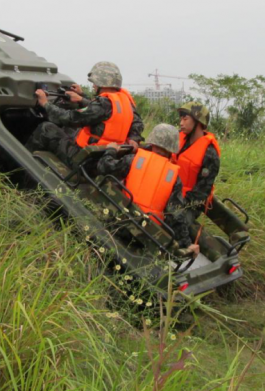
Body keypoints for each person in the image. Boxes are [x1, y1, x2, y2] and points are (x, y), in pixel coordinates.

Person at [96, 124, 198, 254]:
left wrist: (111, 150)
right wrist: (187, 244)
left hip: (119, 223)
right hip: (147, 235)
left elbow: (103, 167)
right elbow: (176, 215)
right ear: (172, 149)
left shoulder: (133, 160)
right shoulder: (173, 177)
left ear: (153, 142)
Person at [26, 61, 144, 167]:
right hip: (103, 155)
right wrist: (81, 97)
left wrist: (46, 103)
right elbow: (134, 121)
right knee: (68, 130)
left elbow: (69, 118)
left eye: (94, 83)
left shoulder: (103, 104)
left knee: (46, 128)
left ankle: (21, 169)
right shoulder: (125, 102)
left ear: (101, 81)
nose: (93, 85)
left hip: (84, 160)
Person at [175, 102, 221, 222]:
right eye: (181, 119)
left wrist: (179, 203)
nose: (181, 123)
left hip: (189, 203)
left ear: (198, 122)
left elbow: (202, 191)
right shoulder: (177, 138)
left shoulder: (210, 154)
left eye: (185, 119)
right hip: (169, 191)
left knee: (177, 221)